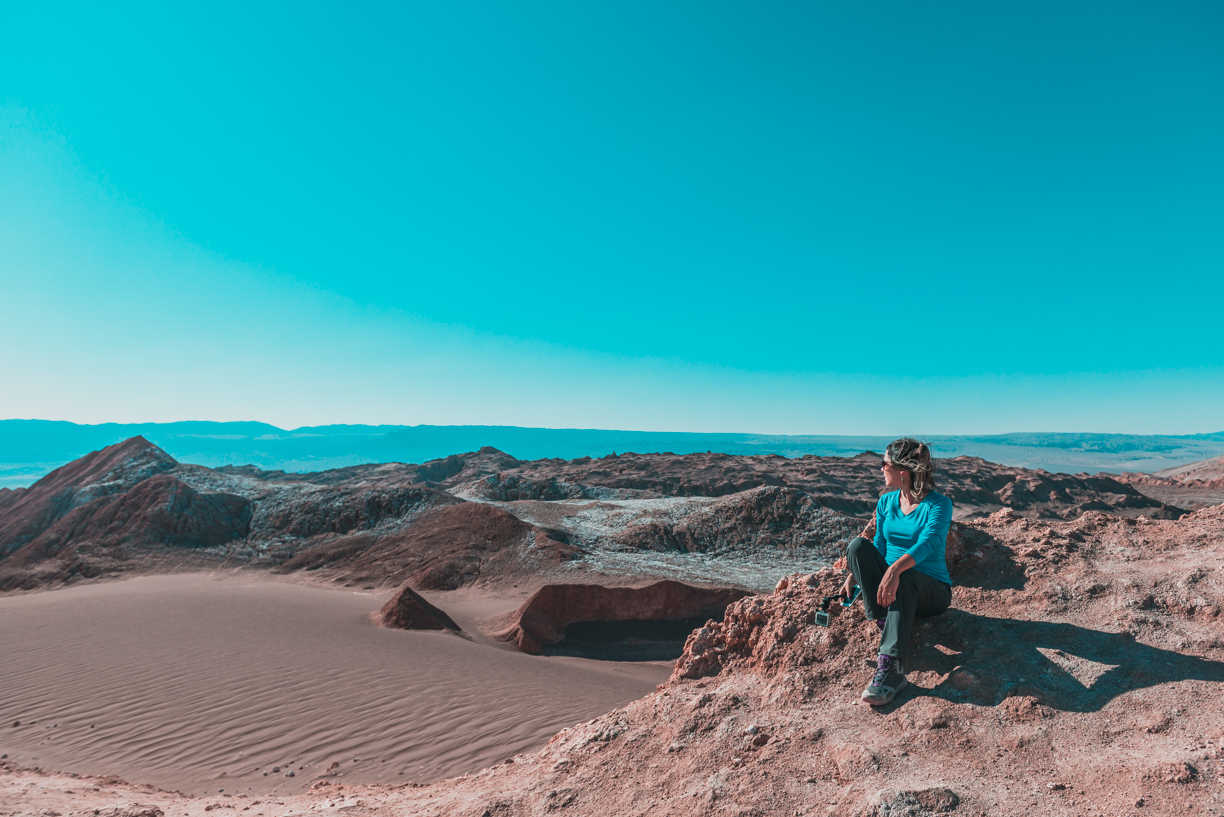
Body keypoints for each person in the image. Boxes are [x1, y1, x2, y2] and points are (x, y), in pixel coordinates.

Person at [839, 438, 953, 706]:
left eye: (884, 464)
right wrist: (853, 576)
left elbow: (928, 544)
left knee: (904, 578)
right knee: (857, 547)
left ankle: (892, 669)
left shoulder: (938, 505)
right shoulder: (887, 502)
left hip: (930, 590)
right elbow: (878, 544)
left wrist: (894, 570)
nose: (880, 469)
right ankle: (887, 623)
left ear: (903, 472)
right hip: (894, 584)